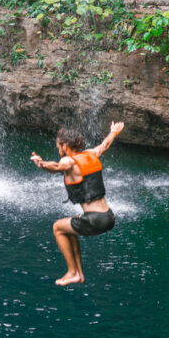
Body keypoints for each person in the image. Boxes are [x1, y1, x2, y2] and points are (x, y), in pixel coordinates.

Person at [30, 121, 124, 285]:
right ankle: (78, 274)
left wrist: (42, 164)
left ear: (65, 146)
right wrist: (114, 132)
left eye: (59, 146)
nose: (58, 149)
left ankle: (72, 271)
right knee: (70, 227)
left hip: (96, 219)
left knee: (57, 227)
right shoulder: (91, 154)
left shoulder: (69, 161)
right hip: (108, 216)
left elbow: (58, 166)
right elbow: (105, 145)